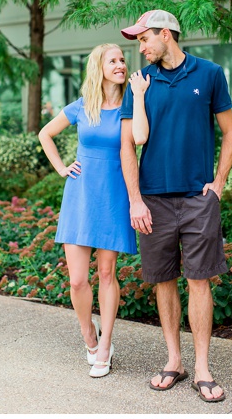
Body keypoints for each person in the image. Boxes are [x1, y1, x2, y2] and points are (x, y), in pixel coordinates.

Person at [119, 10, 232, 403]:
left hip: (197, 199)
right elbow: (128, 147)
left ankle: (202, 367)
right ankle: (175, 360)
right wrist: (135, 199)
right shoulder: (139, 84)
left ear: (166, 34)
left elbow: (230, 132)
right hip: (153, 200)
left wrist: (218, 183)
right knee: (163, 280)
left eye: (144, 39)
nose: (140, 46)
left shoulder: (209, 74)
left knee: (199, 280)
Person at [38, 43, 141, 378]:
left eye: (123, 59)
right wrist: (61, 167)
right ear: (99, 67)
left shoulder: (129, 106)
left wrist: (139, 97)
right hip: (80, 196)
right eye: (113, 60)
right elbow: (45, 134)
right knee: (78, 280)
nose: (120, 64)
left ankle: (106, 345)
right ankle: (88, 333)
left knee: (108, 274)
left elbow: (135, 144)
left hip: (113, 195)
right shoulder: (82, 107)